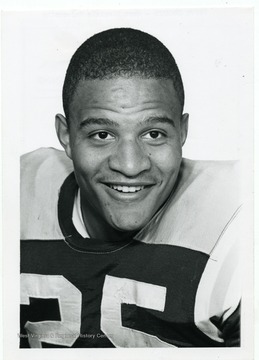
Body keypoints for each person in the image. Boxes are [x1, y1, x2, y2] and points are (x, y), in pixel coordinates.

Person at [20, 27, 241, 348]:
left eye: (153, 134)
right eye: (102, 135)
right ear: (66, 136)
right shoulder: (15, 192)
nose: (130, 164)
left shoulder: (236, 215)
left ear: (182, 132)